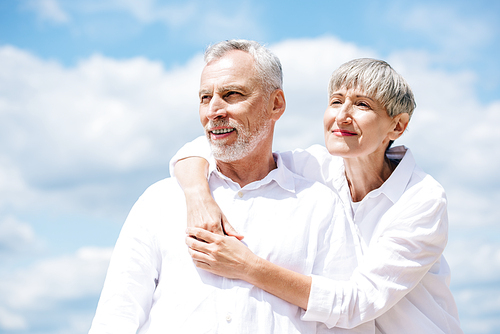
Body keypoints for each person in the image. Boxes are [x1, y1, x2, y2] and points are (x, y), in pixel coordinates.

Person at [89, 40, 372, 333]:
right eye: (204, 97)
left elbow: (348, 320)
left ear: (276, 104)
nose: (213, 110)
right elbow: (116, 317)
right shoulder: (161, 201)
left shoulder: (320, 205)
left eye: (231, 94)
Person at [171, 58, 463, 333]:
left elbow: (358, 302)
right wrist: (199, 196)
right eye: (336, 101)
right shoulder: (314, 167)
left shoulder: (422, 199)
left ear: (397, 126)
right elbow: (210, 146)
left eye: (361, 104)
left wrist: (247, 266)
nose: (342, 116)